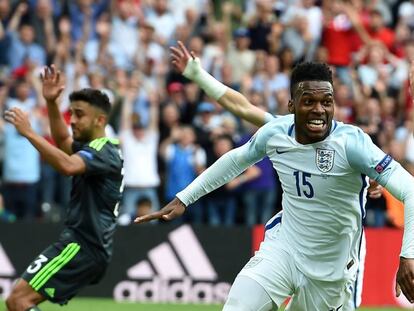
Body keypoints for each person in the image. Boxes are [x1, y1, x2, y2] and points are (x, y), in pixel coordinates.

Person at [136, 45, 414, 310]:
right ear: (292, 105)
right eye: (309, 102)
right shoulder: (277, 132)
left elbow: (410, 189)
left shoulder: (352, 143)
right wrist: (186, 197)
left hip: (331, 268)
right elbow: (236, 156)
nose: (319, 110)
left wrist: (408, 254)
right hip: (284, 250)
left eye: (326, 102)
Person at [5, 65, 123, 311]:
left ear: (100, 120)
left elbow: (68, 166)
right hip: (86, 245)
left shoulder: (104, 150)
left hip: (83, 245)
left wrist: (29, 133)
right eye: (72, 114)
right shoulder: (94, 147)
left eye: (79, 114)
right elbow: (62, 141)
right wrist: (51, 103)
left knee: (18, 301)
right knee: (19, 301)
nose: (74, 120)